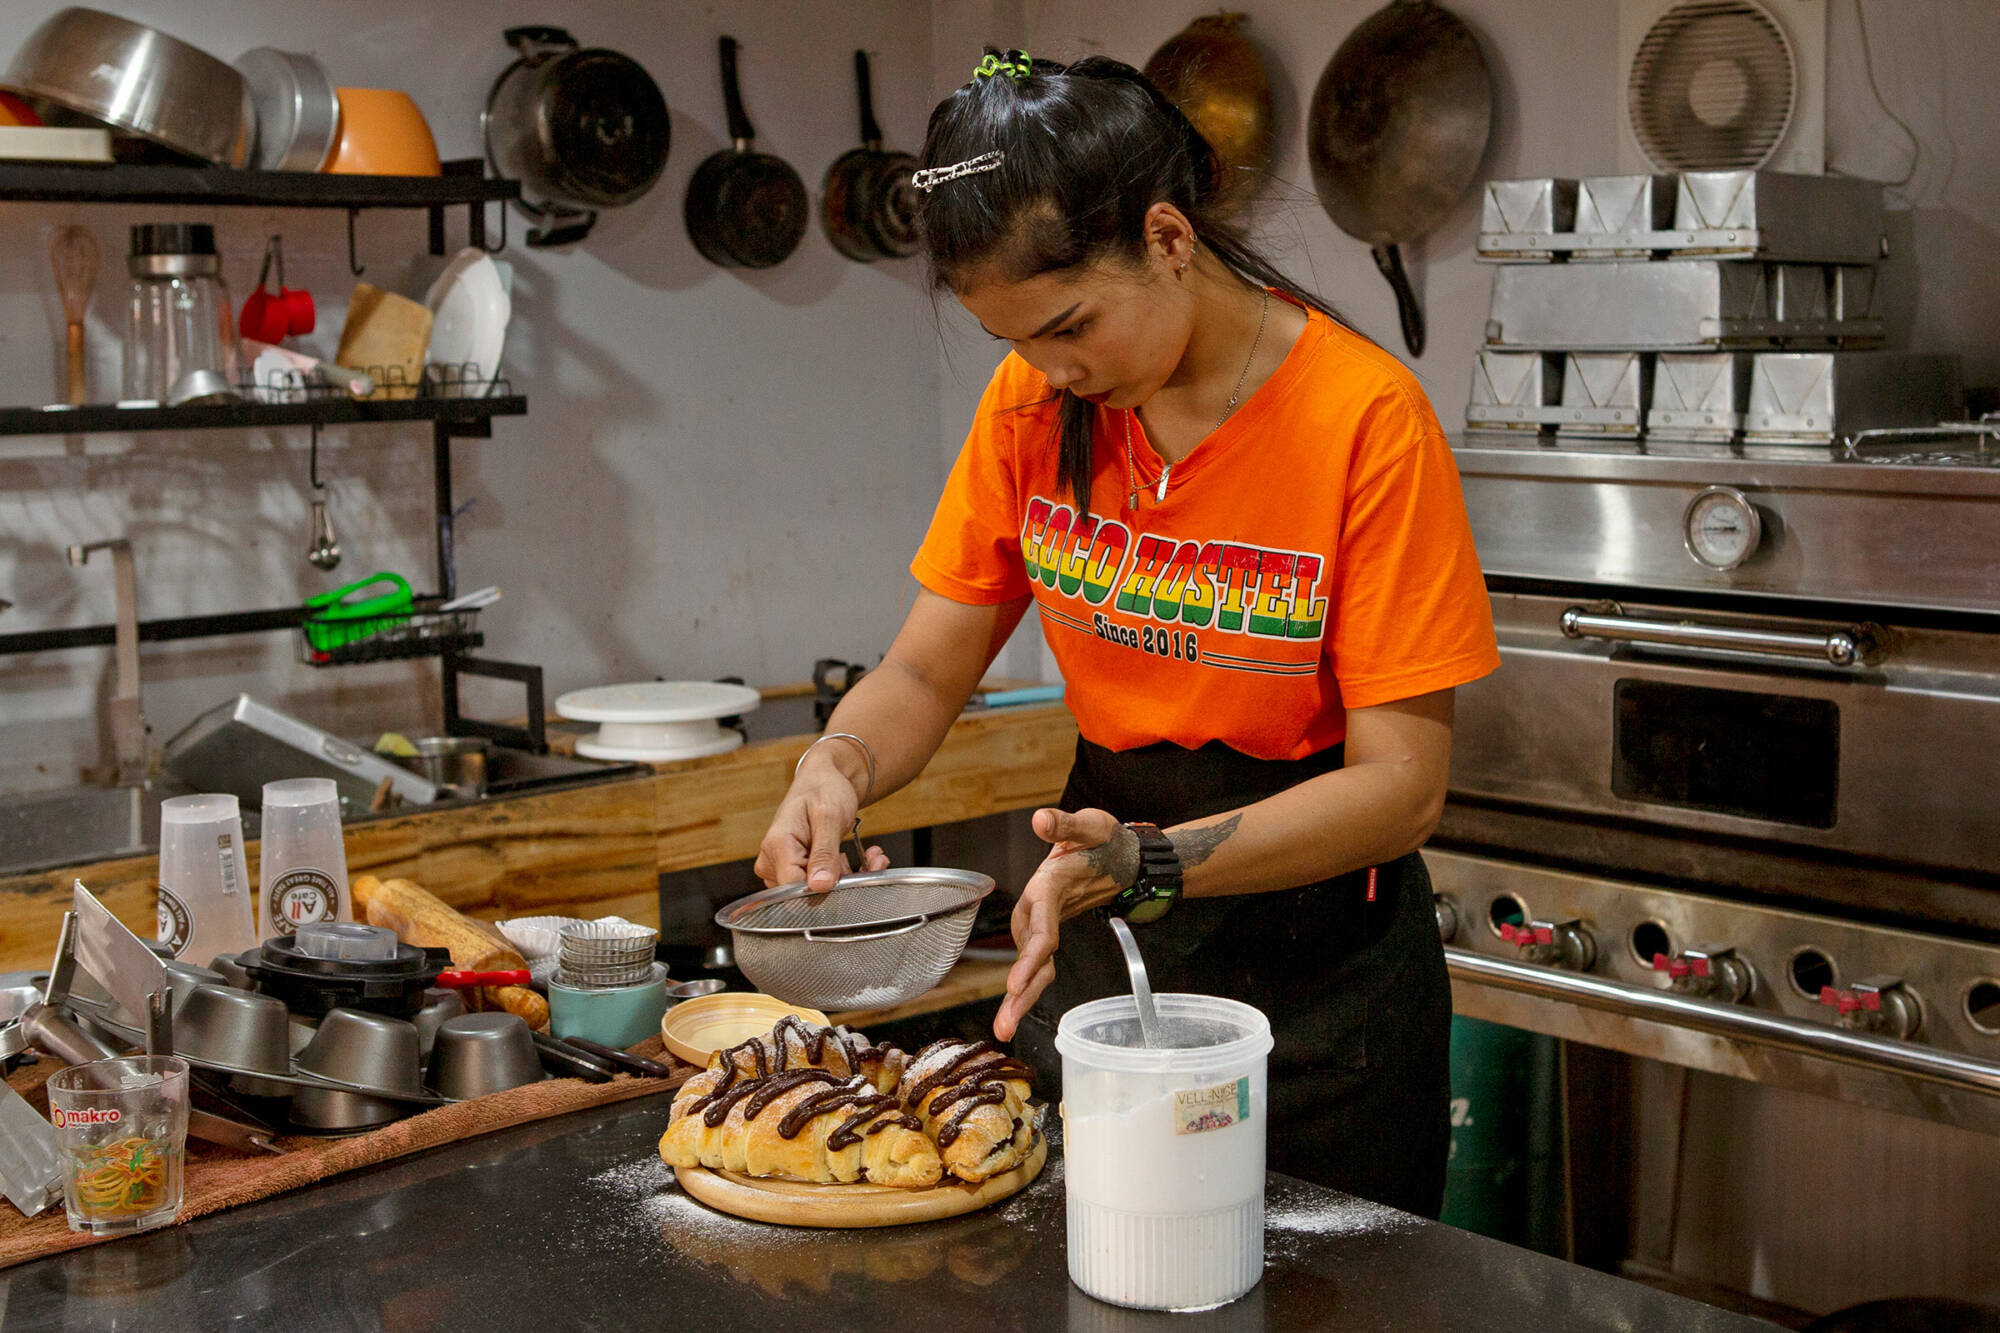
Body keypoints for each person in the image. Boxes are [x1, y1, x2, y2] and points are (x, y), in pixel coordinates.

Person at [753, 49, 1498, 1218]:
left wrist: (1144, 861)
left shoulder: (1363, 423)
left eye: (1069, 326)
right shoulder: (1033, 410)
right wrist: (835, 764)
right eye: (1016, 345)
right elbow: (920, 667)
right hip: (1110, 953)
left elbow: (1401, 789)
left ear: (1166, 237)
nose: (1051, 370)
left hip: (1323, 988)